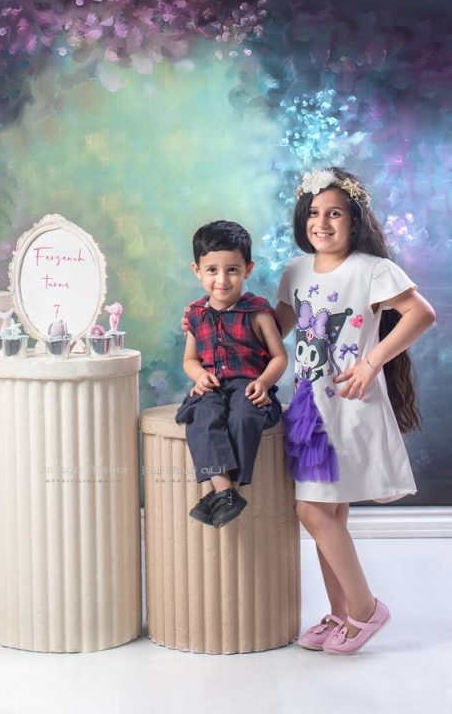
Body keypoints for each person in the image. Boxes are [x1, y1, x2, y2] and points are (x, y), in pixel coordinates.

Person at [276, 167, 436, 655]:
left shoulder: (371, 269)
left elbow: (421, 314)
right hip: (309, 408)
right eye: (315, 213)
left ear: (354, 219)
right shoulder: (295, 272)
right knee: (330, 513)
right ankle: (340, 613)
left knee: (311, 509)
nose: (322, 223)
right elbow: (272, 330)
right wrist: (217, 318)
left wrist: (372, 361)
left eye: (335, 214)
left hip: (347, 407)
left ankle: (366, 610)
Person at [175, 220, 288, 528]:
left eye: (232, 270)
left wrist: (263, 382)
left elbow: (279, 357)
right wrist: (199, 376)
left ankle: (225, 493)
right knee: (202, 416)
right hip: (212, 387)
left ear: (248, 269)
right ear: (197, 270)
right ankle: (225, 490)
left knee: (243, 415)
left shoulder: (258, 312)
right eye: (212, 270)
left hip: (248, 386)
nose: (222, 280)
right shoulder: (196, 314)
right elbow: (190, 359)